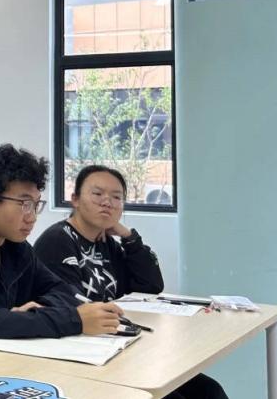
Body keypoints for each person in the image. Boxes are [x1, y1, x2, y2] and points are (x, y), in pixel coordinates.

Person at [34, 164, 228, 399]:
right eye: (97, 194)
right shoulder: (57, 241)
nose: (107, 202)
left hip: (120, 344)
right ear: (75, 199)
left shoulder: (108, 243)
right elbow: (70, 305)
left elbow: (151, 286)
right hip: (84, 355)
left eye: (116, 197)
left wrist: (129, 237)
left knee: (209, 391)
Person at [0, 144, 124, 362]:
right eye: (24, 204)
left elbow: (62, 289)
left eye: (36, 205)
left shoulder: (15, 245)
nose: (32, 217)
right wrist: (74, 320)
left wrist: (35, 314)